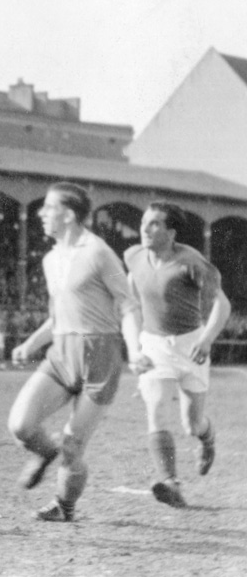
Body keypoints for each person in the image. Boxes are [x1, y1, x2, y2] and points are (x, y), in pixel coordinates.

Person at [8, 182, 141, 522]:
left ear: (68, 215)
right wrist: (31, 344)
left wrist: (136, 348)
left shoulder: (99, 253)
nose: (41, 213)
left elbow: (127, 304)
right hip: (61, 354)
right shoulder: (51, 259)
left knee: (73, 447)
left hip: (100, 356)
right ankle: (44, 452)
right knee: (21, 425)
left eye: (48, 207)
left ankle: (64, 507)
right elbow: (57, 317)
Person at [124, 201, 230, 507]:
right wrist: (136, 342)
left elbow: (222, 305)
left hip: (191, 345)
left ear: (171, 232)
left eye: (155, 223)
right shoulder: (133, 256)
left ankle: (207, 440)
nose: (145, 228)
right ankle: (170, 482)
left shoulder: (191, 262)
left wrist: (208, 339)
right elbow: (132, 293)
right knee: (156, 409)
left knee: (192, 423)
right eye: (144, 221)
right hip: (155, 345)